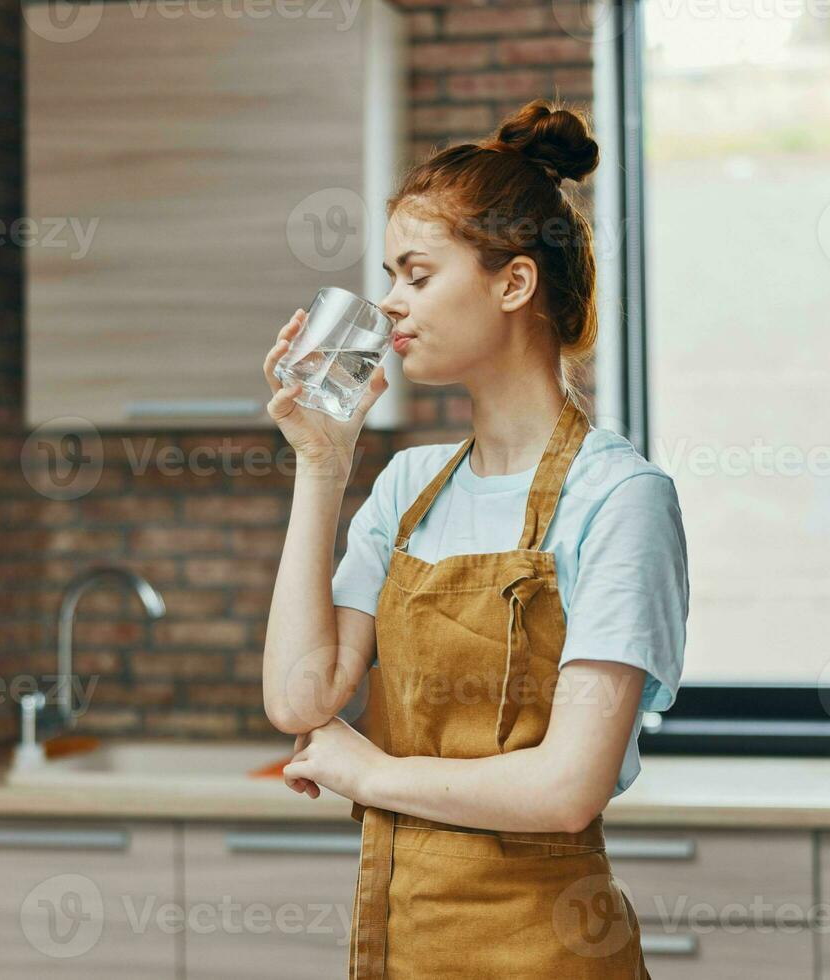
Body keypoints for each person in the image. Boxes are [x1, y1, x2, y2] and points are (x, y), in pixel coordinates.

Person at [261, 97, 687, 979]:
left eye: (416, 274)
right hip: (398, 940)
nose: (388, 303)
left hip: (548, 952)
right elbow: (301, 703)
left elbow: (566, 789)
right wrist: (320, 463)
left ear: (514, 284)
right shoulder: (409, 488)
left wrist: (369, 774)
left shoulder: (618, 497)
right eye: (388, 275)